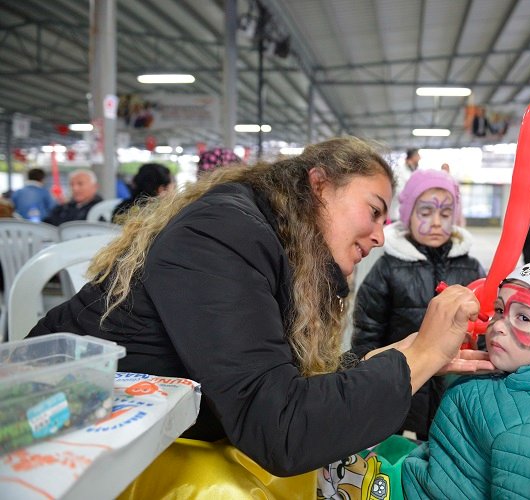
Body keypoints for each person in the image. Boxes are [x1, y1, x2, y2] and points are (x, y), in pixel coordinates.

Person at [27, 137, 491, 479]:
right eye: (373, 211)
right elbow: (278, 427)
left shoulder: (272, 243)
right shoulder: (224, 234)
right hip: (53, 442)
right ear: (318, 185)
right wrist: (420, 357)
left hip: (133, 442)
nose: (378, 234)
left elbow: (276, 382)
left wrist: (398, 355)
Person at [321, 262, 530, 499]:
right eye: (500, 310)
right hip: (423, 472)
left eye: (524, 317)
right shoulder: (518, 375)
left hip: (414, 491)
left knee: (318, 465)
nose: (500, 326)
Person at [351, 168, 486, 440]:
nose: (436, 222)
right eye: (425, 213)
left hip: (449, 388)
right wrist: (364, 379)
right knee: (388, 446)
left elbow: (483, 324)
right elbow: (368, 328)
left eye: (446, 214)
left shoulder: (471, 268)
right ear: (408, 214)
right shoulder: (388, 268)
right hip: (399, 383)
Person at [388, 148, 421, 222]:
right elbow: (399, 192)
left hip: (409, 212)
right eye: (417, 156)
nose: (419, 158)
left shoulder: (413, 171)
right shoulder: (399, 171)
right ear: (412, 157)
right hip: (397, 213)